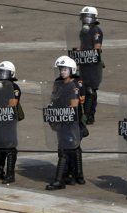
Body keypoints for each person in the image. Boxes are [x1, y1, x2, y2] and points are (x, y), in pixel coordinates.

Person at [45, 56, 81, 191]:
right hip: (60, 121)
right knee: (63, 149)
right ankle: (69, 176)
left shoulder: (73, 86)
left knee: (64, 151)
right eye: (61, 69)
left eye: (65, 69)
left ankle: (59, 180)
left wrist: (61, 113)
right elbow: (53, 99)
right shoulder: (59, 83)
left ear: (71, 70)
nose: (62, 72)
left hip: (68, 122)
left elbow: (74, 105)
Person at [76, 6, 103, 125]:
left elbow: (97, 47)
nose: (86, 20)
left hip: (92, 64)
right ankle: (83, 114)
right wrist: (77, 53)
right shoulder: (83, 31)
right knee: (83, 87)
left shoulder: (96, 30)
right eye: (84, 17)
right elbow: (83, 45)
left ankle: (89, 115)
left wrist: (89, 54)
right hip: (83, 63)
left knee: (90, 90)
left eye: (88, 17)